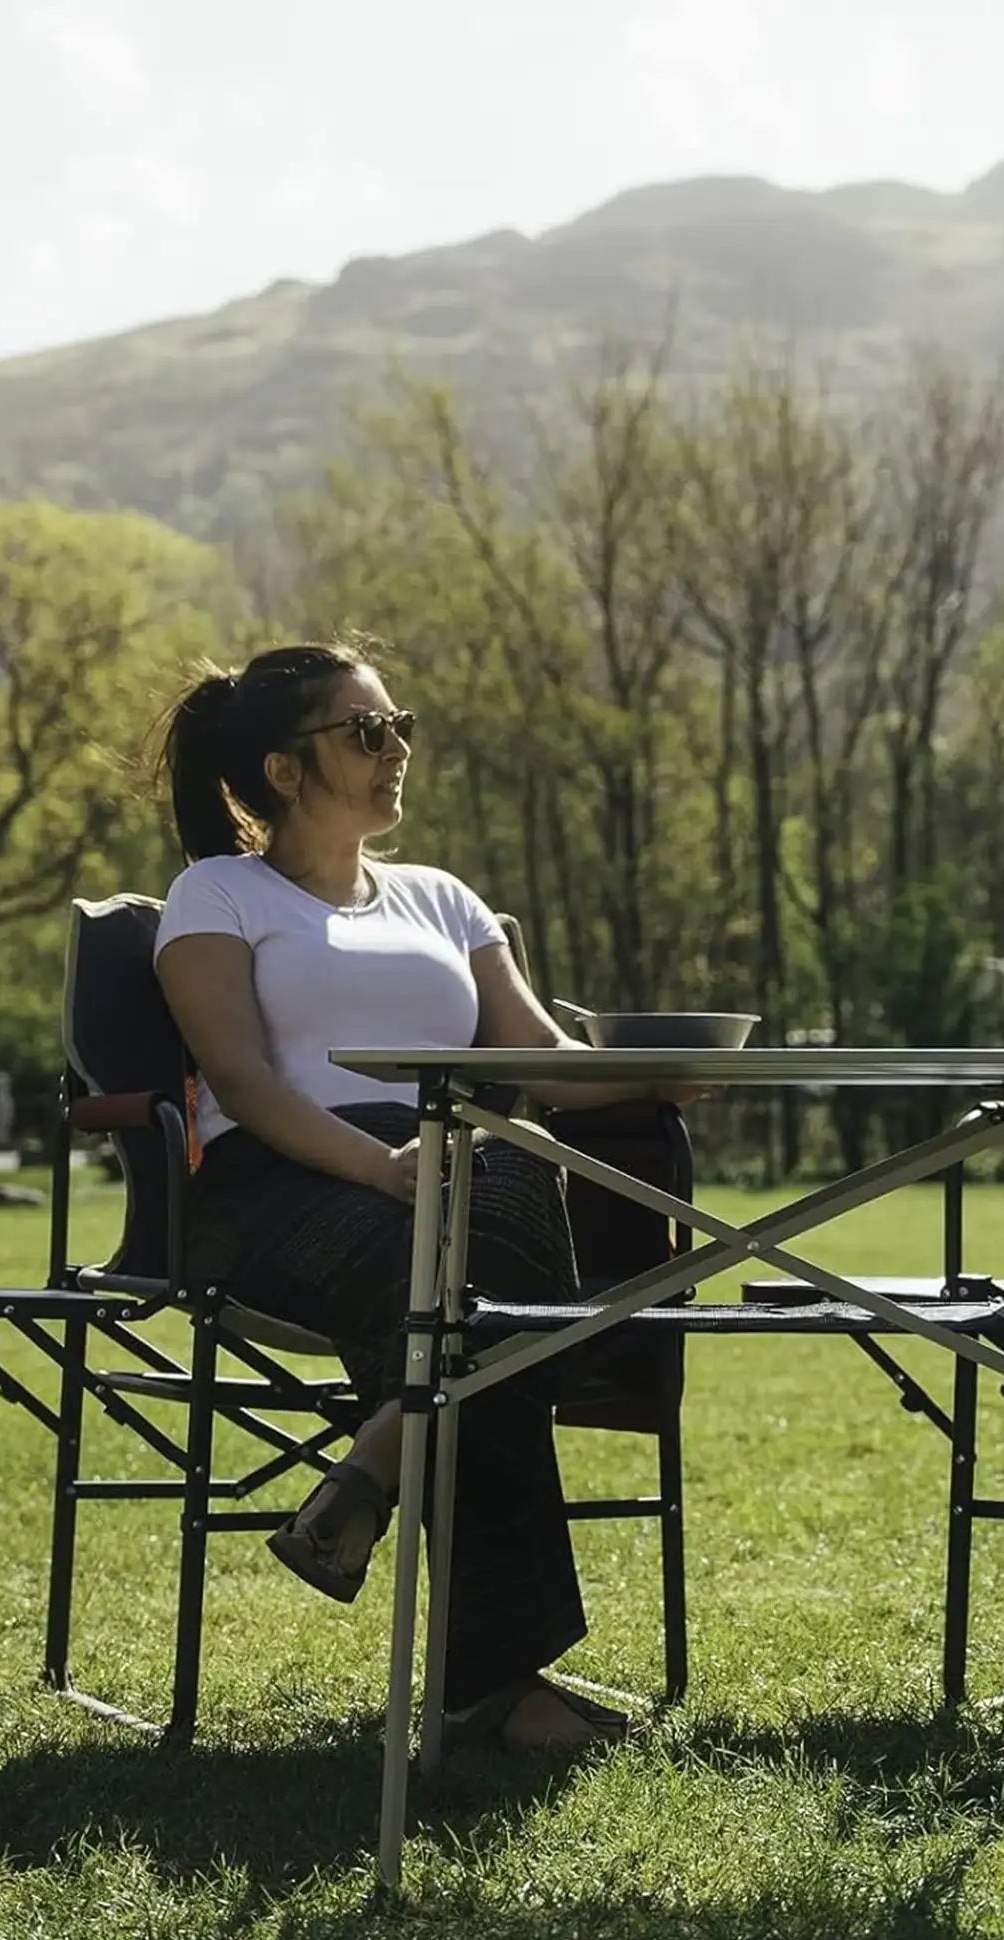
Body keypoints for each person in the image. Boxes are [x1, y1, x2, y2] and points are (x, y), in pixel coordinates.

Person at [154, 642, 685, 1756]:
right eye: (364, 731)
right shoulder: (216, 894)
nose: (394, 750)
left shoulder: (445, 898)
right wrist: (375, 1164)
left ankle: (381, 1457)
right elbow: (243, 1081)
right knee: (478, 1293)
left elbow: (539, 1059)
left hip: (457, 1173)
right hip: (278, 1182)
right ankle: (499, 1688)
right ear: (286, 770)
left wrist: (660, 1069)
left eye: (400, 726)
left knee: (502, 1204)